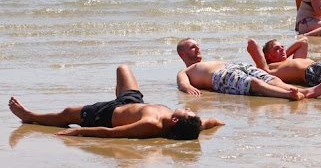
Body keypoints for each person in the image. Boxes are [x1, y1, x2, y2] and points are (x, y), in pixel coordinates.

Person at [8, 64, 223, 139]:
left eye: (187, 112)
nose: (187, 108)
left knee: (68, 113)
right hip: (131, 101)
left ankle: (30, 117)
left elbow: (111, 133)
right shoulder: (193, 126)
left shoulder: (152, 125)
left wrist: (79, 131)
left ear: (176, 121)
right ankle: (117, 99)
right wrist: (219, 122)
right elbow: (210, 122)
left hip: (107, 114)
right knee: (123, 68)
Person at [176, 38, 321, 100]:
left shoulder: (206, 62)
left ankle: (306, 92)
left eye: (197, 46)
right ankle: (288, 94)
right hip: (220, 76)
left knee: (271, 78)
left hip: (235, 66)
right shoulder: (186, 71)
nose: (198, 49)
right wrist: (187, 88)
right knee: (254, 83)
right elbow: (183, 82)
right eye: (192, 47)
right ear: (182, 53)